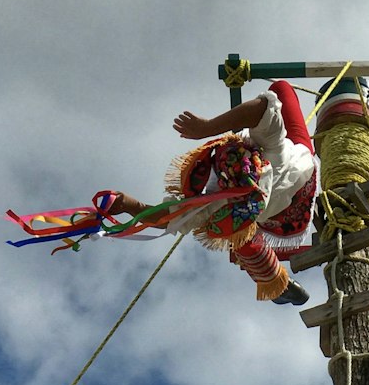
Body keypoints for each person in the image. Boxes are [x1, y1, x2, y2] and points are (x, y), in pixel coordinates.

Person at [105, 80, 317, 306]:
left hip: (285, 201)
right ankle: (275, 281)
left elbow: (169, 218)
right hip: (298, 177)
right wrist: (208, 128)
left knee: (233, 230)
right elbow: (263, 108)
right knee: (234, 230)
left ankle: (274, 281)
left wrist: (131, 206)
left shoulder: (219, 200)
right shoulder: (268, 151)